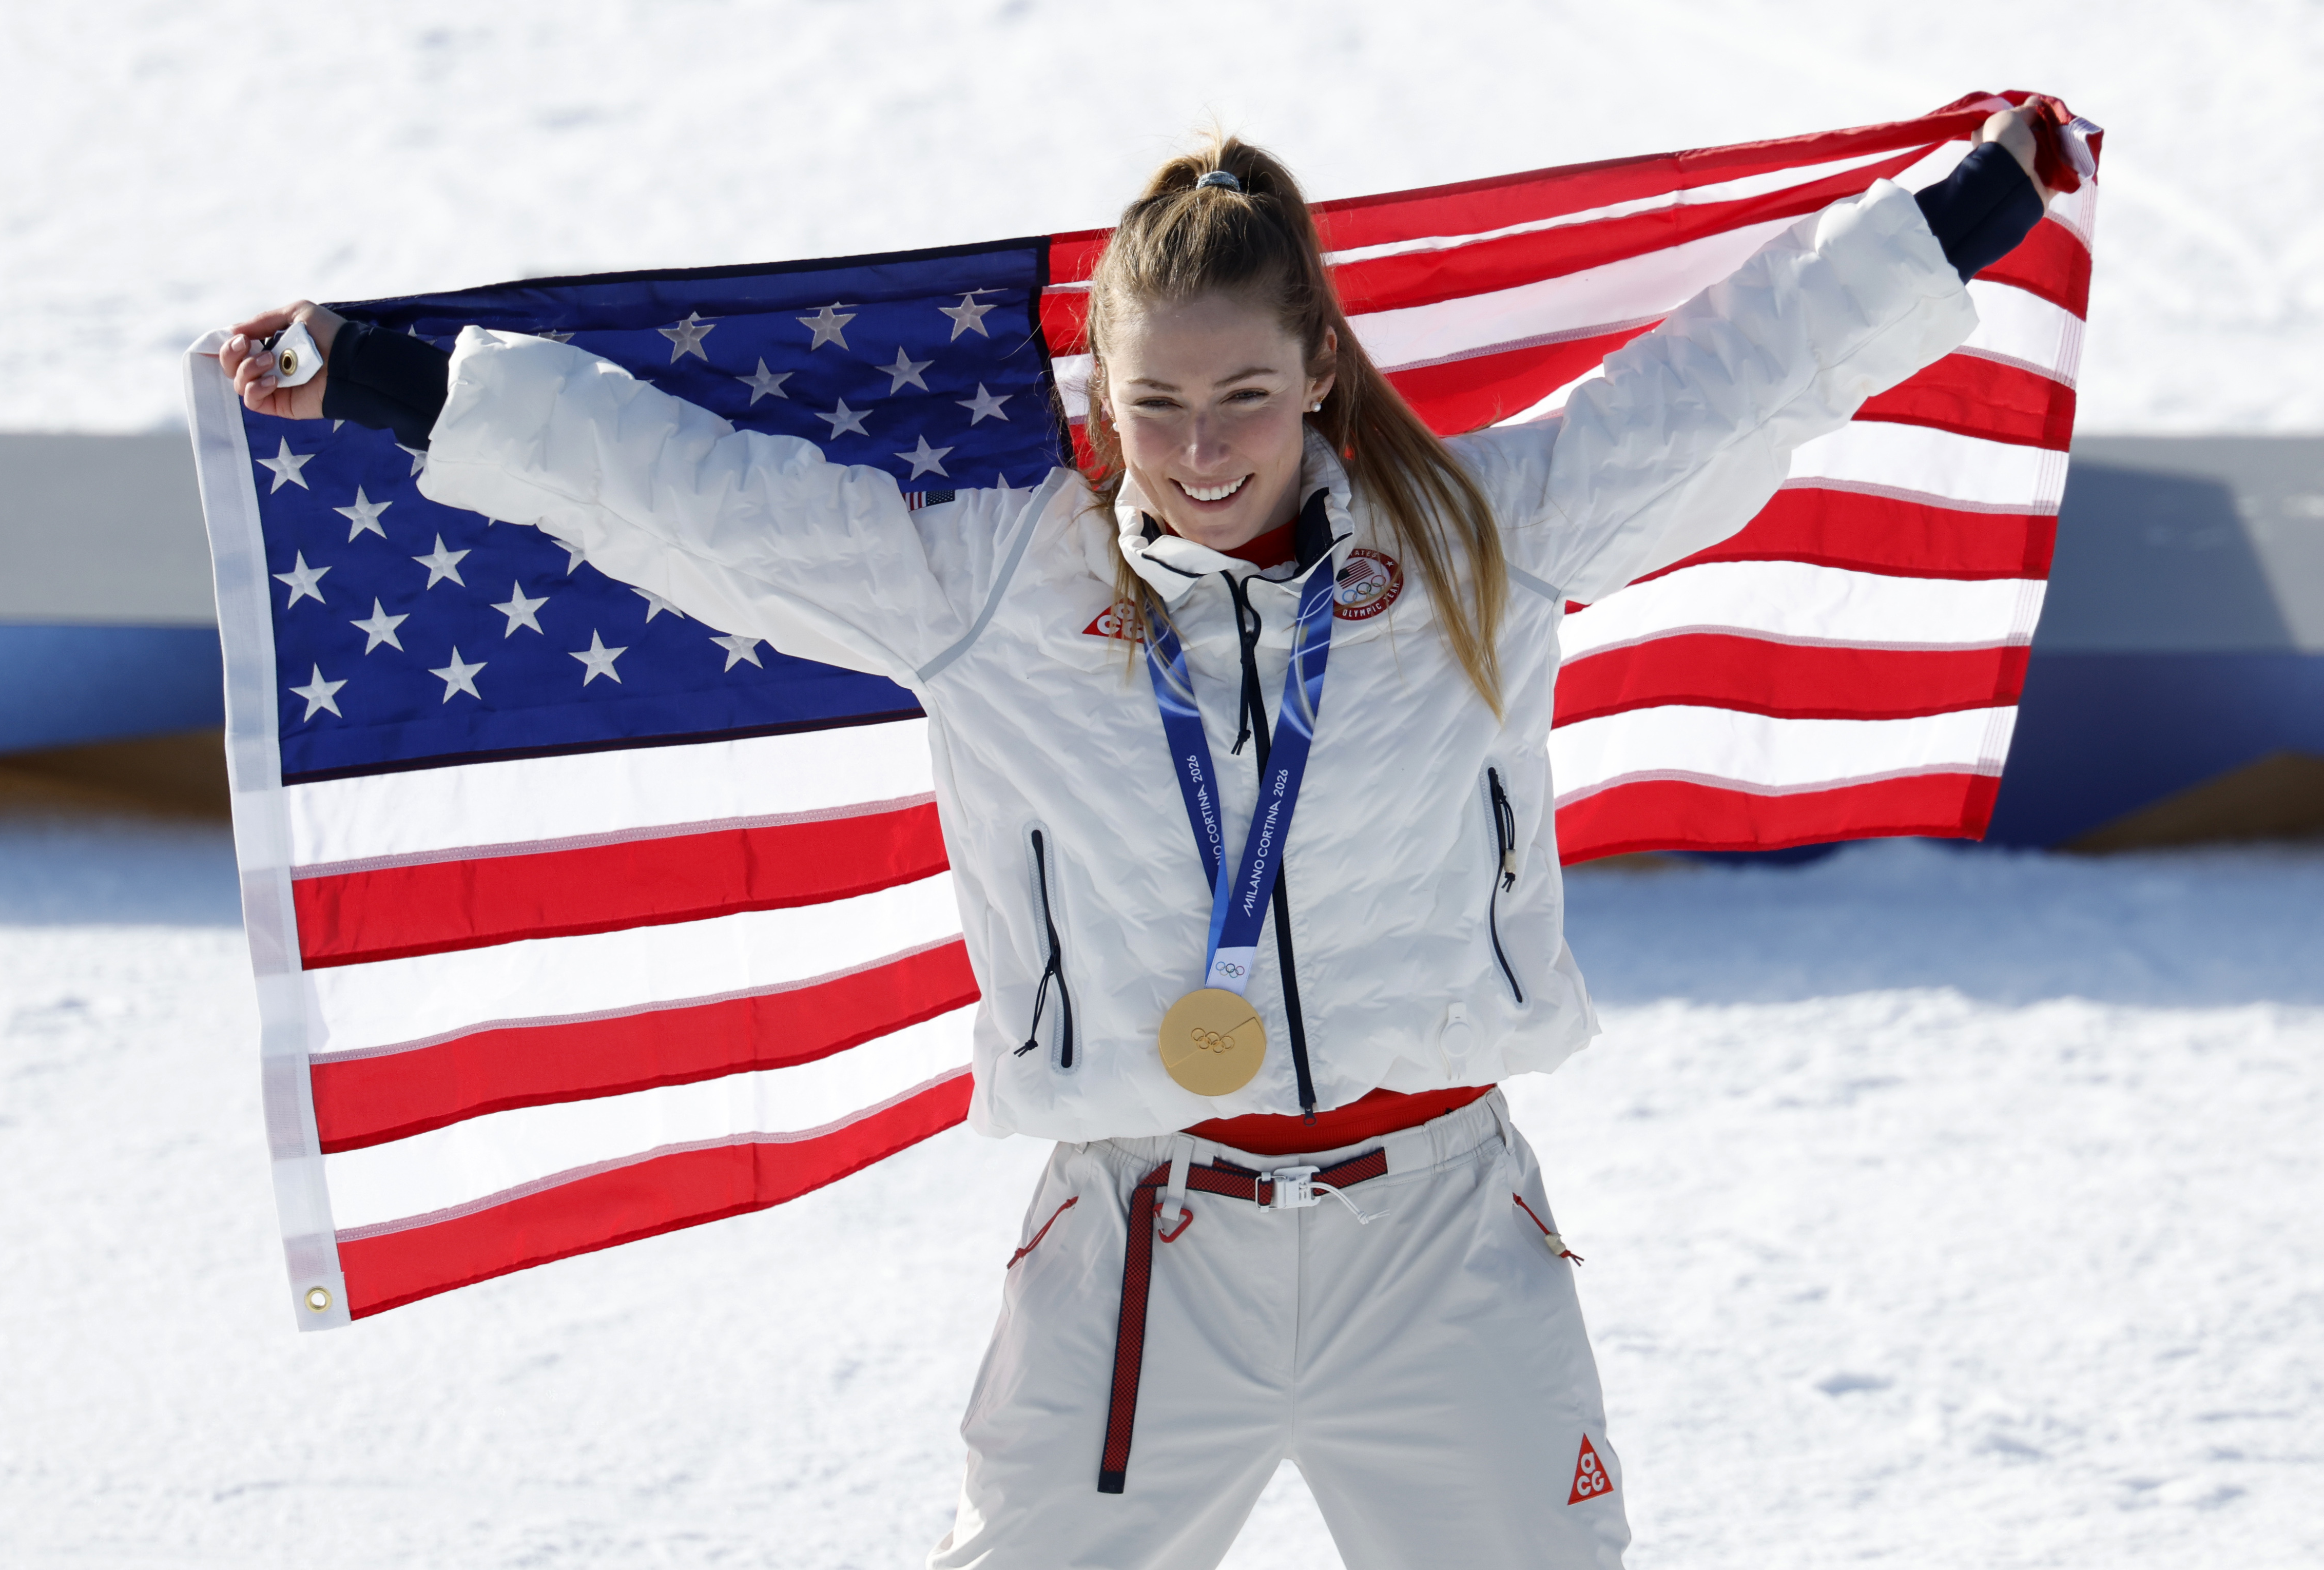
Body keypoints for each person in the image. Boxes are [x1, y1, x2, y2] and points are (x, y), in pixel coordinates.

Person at [224, 103, 2058, 1568]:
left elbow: (1735, 380)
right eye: (1156, 401)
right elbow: (689, 499)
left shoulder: (1482, 542)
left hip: (1441, 1244)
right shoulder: (989, 589)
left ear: (1320, 365)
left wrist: (1972, 212)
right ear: (1099, 392)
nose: (1201, 448)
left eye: (1244, 392)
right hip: (1140, 1253)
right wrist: (387, 379)